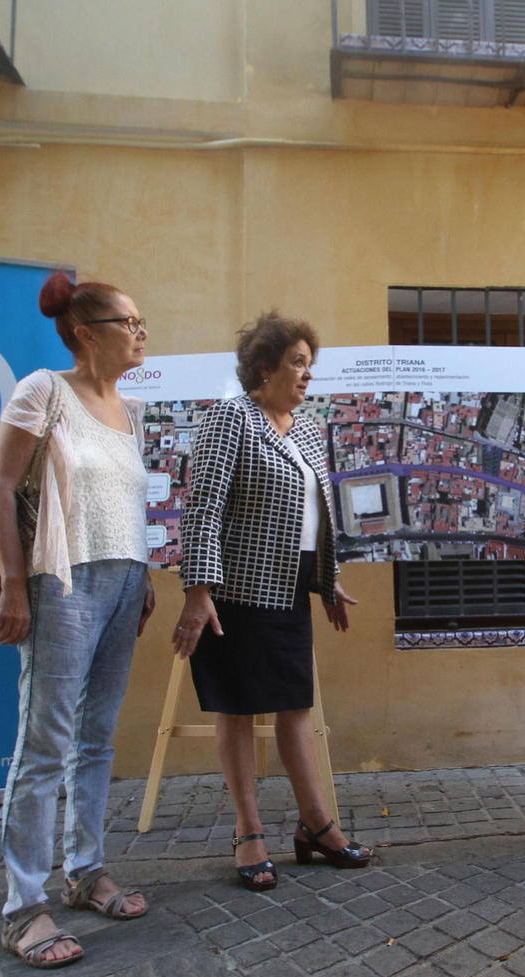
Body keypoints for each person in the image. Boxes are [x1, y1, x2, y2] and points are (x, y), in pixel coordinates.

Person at [0, 273, 157, 968]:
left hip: (124, 581)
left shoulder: (132, 409)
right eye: (130, 321)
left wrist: (141, 580)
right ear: (86, 333)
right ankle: (22, 908)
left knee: (97, 739)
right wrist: (14, 586)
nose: (142, 332)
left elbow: (127, 503)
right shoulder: (42, 392)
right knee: (44, 745)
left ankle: (86, 872)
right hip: (63, 582)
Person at [173, 311, 369, 891]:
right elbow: (203, 507)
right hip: (231, 594)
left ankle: (315, 825)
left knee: (295, 707)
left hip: (287, 594)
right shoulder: (230, 419)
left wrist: (325, 579)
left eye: (311, 363)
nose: (308, 374)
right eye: (298, 362)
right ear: (265, 366)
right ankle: (249, 831)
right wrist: (197, 591)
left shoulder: (306, 428)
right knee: (237, 710)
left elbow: (316, 516)